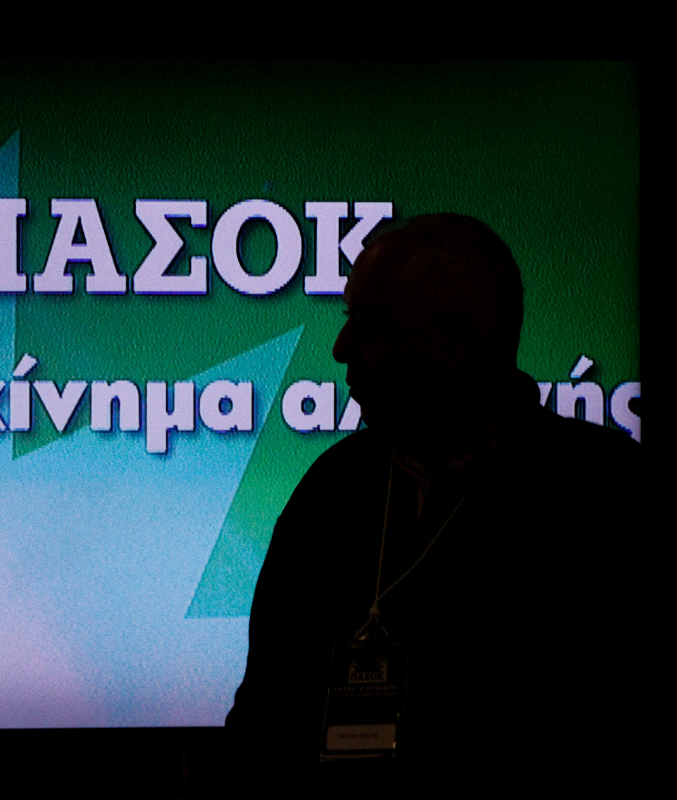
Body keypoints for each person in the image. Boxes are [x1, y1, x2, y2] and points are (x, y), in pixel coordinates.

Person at [225, 214, 641, 783]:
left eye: (369, 326)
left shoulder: (606, 492)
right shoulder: (333, 486)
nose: (341, 349)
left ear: (453, 343)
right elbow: (263, 715)